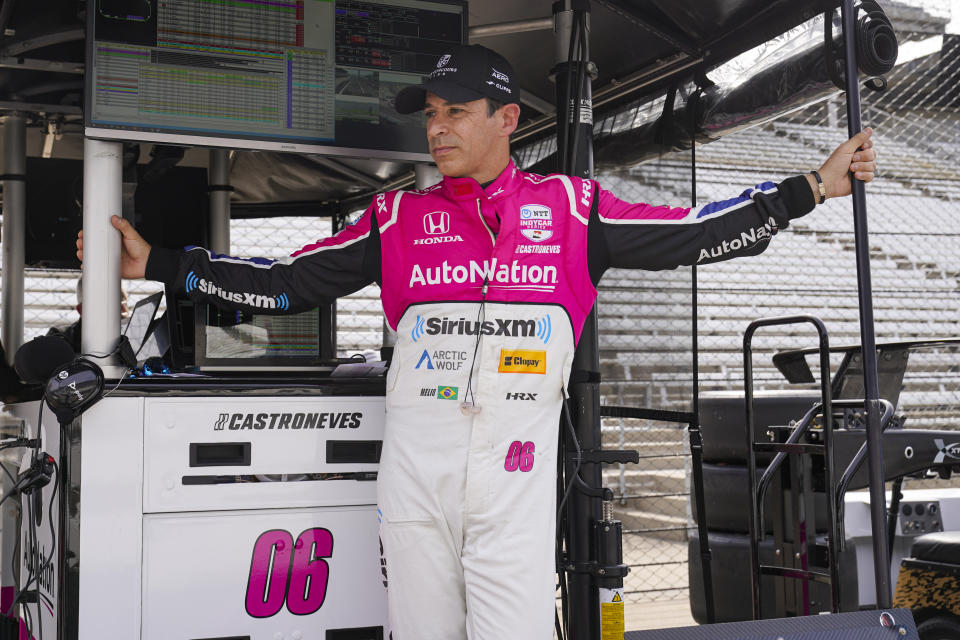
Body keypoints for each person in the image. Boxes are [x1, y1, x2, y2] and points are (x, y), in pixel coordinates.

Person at [77, 44, 877, 640]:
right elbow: (291, 282)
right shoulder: (398, 217)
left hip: (516, 484)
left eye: (454, 112)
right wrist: (168, 267)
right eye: (429, 114)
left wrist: (807, 189)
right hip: (414, 480)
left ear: (506, 119)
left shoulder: (571, 208)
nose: (437, 128)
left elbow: (691, 234)